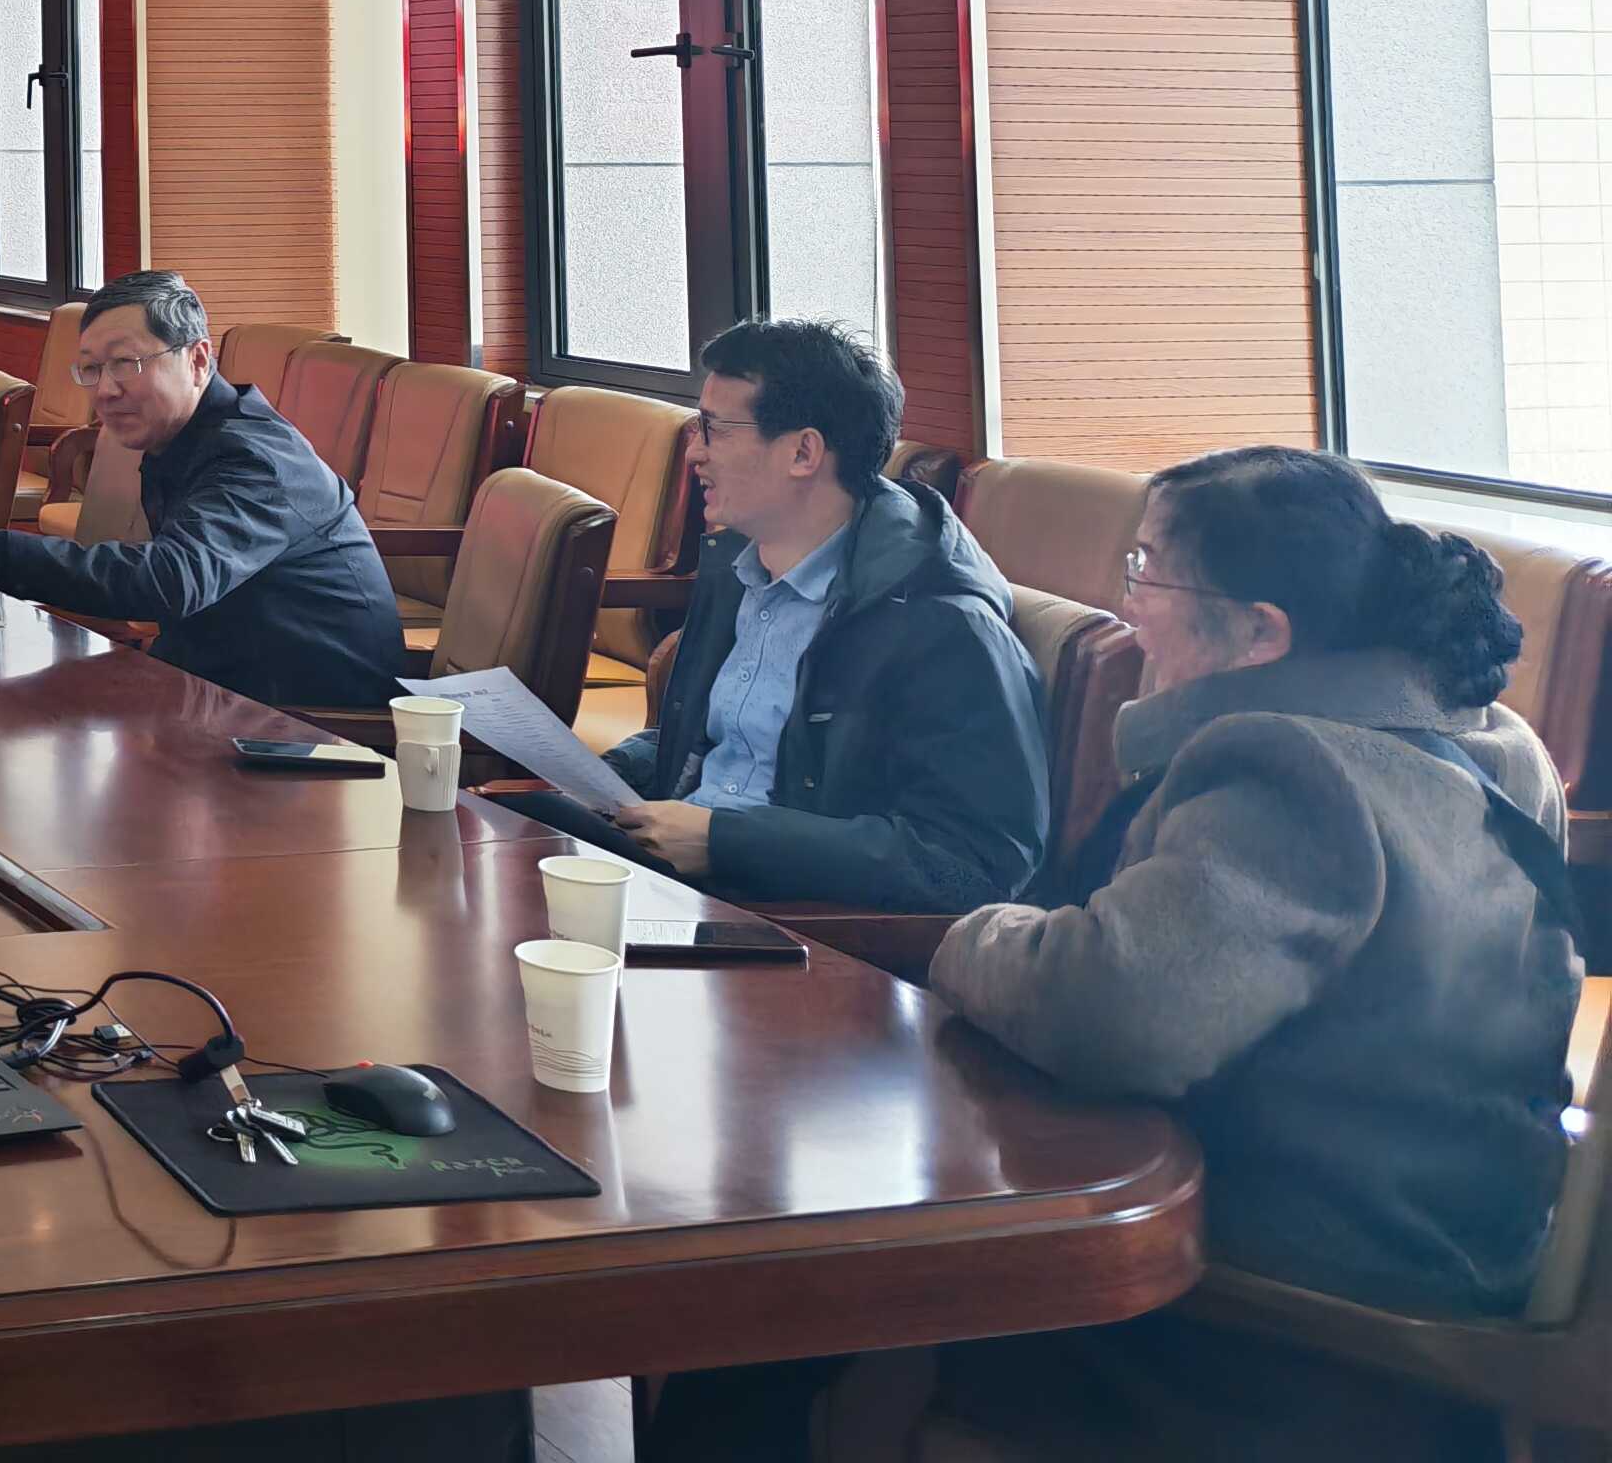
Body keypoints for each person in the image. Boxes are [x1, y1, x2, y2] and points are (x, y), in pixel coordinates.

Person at [649, 452, 1578, 1463]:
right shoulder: (1494, 744)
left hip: (1284, 1310)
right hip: (1449, 1230)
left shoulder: (1289, 770)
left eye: (1147, 571)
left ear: (1261, 632)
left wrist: (969, 936)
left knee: (777, 1301)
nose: (1125, 608)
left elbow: (1111, 1015)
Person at [586, 320, 1044, 914]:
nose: (694, 451)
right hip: (678, 879)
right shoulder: (740, 568)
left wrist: (727, 843)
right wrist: (612, 770)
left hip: (780, 920)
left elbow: (974, 863)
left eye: (714, 430)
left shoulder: (941, 621)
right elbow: (722, 747)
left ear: (803, 452)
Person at [0, 270, 404, 709]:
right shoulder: (182, 435)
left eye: (126, 364)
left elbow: (174, 580)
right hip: (219, 691)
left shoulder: (253, 458)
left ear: (197, 360)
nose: (105, 390)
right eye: (92, 369)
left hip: (311, 725)